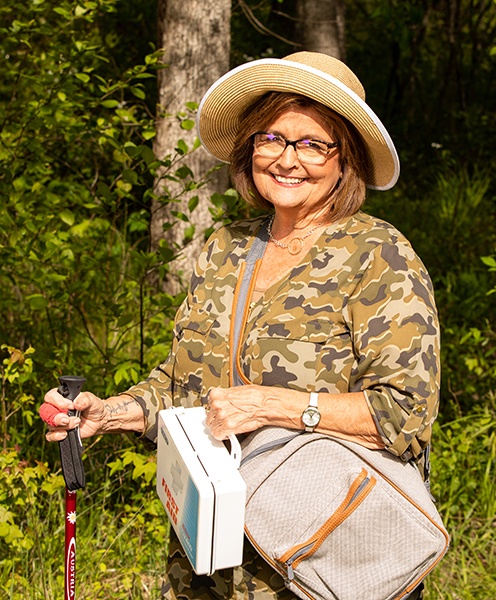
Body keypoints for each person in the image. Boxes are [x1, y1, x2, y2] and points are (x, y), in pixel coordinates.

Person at [40, 52, 440, 600]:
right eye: (271, 139)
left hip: (316, 562)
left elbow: (406, 415)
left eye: (311, 144)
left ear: (344, 160)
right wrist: (108, 414)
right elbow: (183, 383)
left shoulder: (377, 254)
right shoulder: (226, 247)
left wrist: (271, 405)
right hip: (208, 560)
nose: (287, 159)